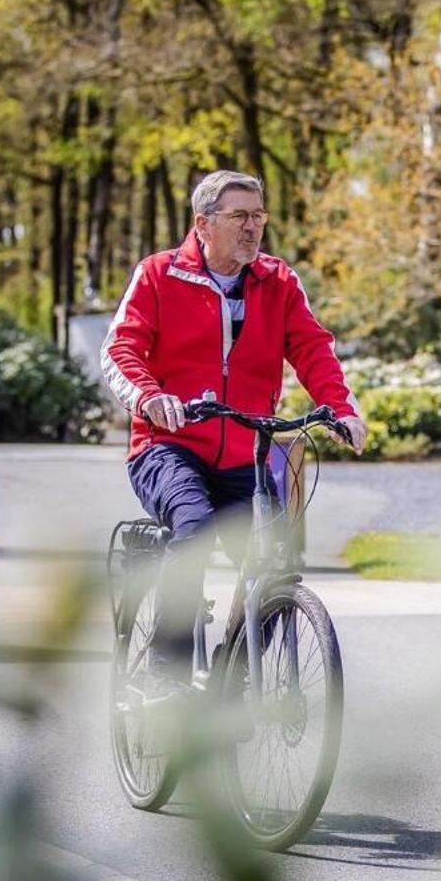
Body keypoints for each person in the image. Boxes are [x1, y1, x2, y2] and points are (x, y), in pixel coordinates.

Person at [102, 170, 367, 693]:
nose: (253, 228)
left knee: (273, 558)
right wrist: (150, 398)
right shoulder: (159, 275)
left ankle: (235, 669)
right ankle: (165, 671)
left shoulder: (279, 281)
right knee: (195, 530)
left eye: (259, 216)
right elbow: (120, 349)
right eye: (240, 216)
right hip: (167, 446)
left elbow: (312, 348)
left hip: (244, 454)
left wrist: (339, 407)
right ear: (203, 224)